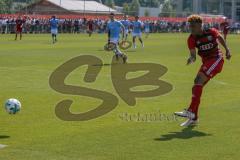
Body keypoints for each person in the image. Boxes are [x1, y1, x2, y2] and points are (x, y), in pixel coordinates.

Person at [174, 15, 231, 127]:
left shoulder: (211, 31)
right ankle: (194, 118)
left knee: (199, 80)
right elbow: (193, 55)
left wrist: (227, 50)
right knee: (196, 84)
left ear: (200, 25)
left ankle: (190, 110)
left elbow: (220, 38)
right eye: (190, 27)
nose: (191, 29)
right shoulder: (191, 39)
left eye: (193, 26)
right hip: (206, 62)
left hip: (217, 59)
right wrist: (191, 58)